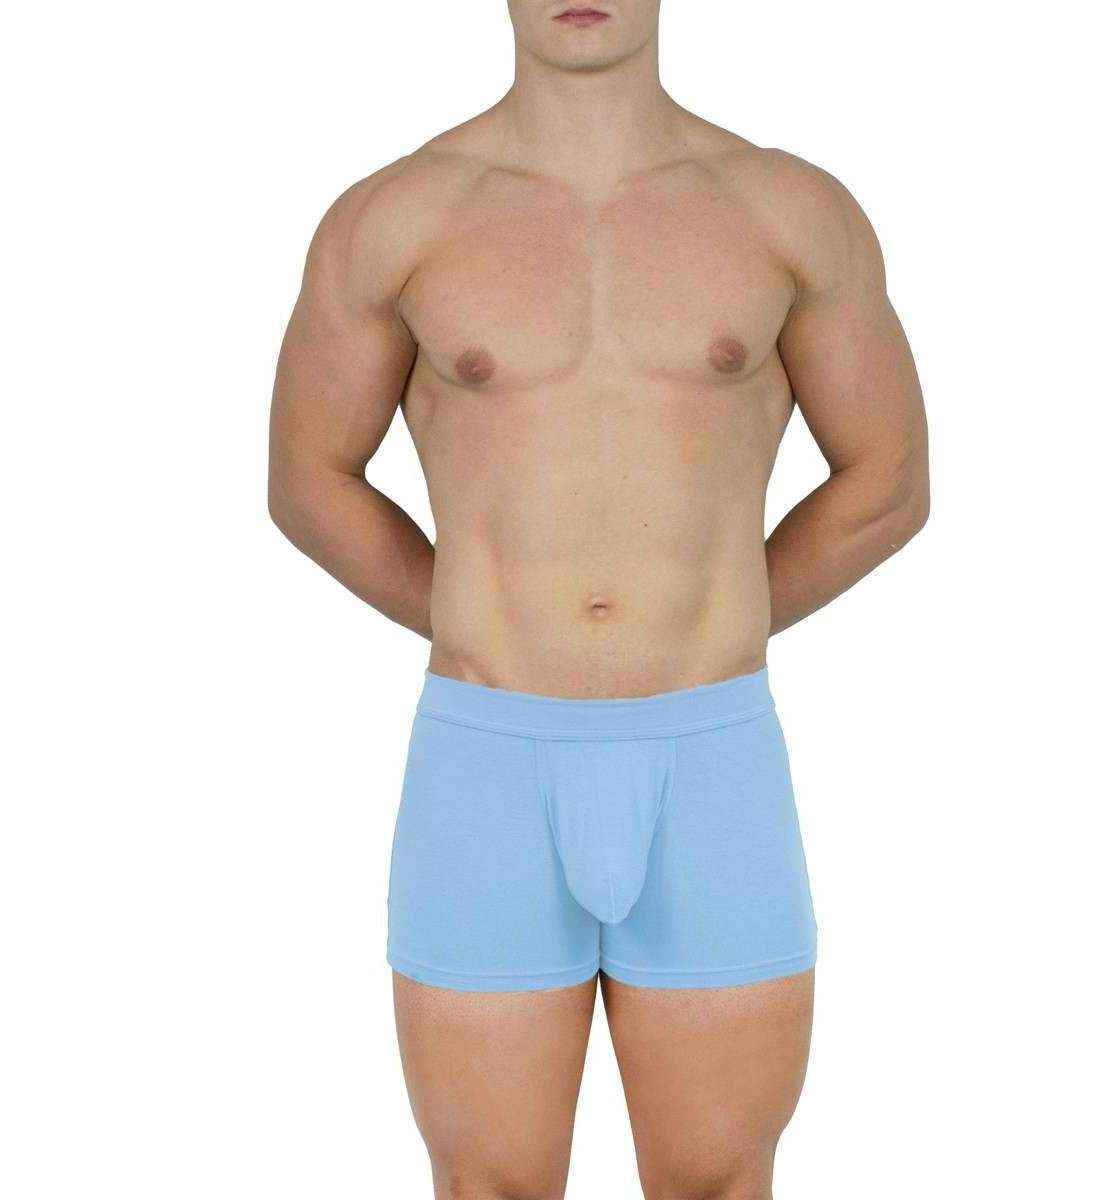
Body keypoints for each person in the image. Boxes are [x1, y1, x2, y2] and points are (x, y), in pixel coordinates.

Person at [268, 2, 928, 1195]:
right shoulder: (397, 218)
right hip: (486, 765)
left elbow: (887, 482)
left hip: (713, 760)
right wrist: (469, 613)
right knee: (492, 1189)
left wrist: (724, 613)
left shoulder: (786, 210)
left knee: (718, 1184)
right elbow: (309, 480)